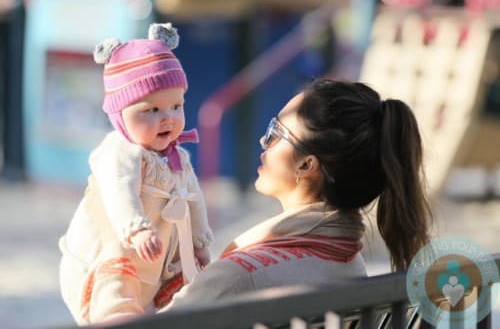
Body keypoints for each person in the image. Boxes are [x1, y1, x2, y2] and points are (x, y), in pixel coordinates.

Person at [158, 78, 432, 310]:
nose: (263, 141)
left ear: (307, 165)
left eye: (276, 132)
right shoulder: (349, 264)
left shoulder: (240, 277)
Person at [58, 23, 213, 325]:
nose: (168, 118)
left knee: (182, 288)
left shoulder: (177, 155)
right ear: (119, 116)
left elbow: (193, 198)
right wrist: (136, 228)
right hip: (119, 246)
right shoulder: (120, 149)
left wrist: (199, 241)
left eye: (176, 106)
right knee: (117, 290)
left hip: (161, 256)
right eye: (151, 110)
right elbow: (118, 189)